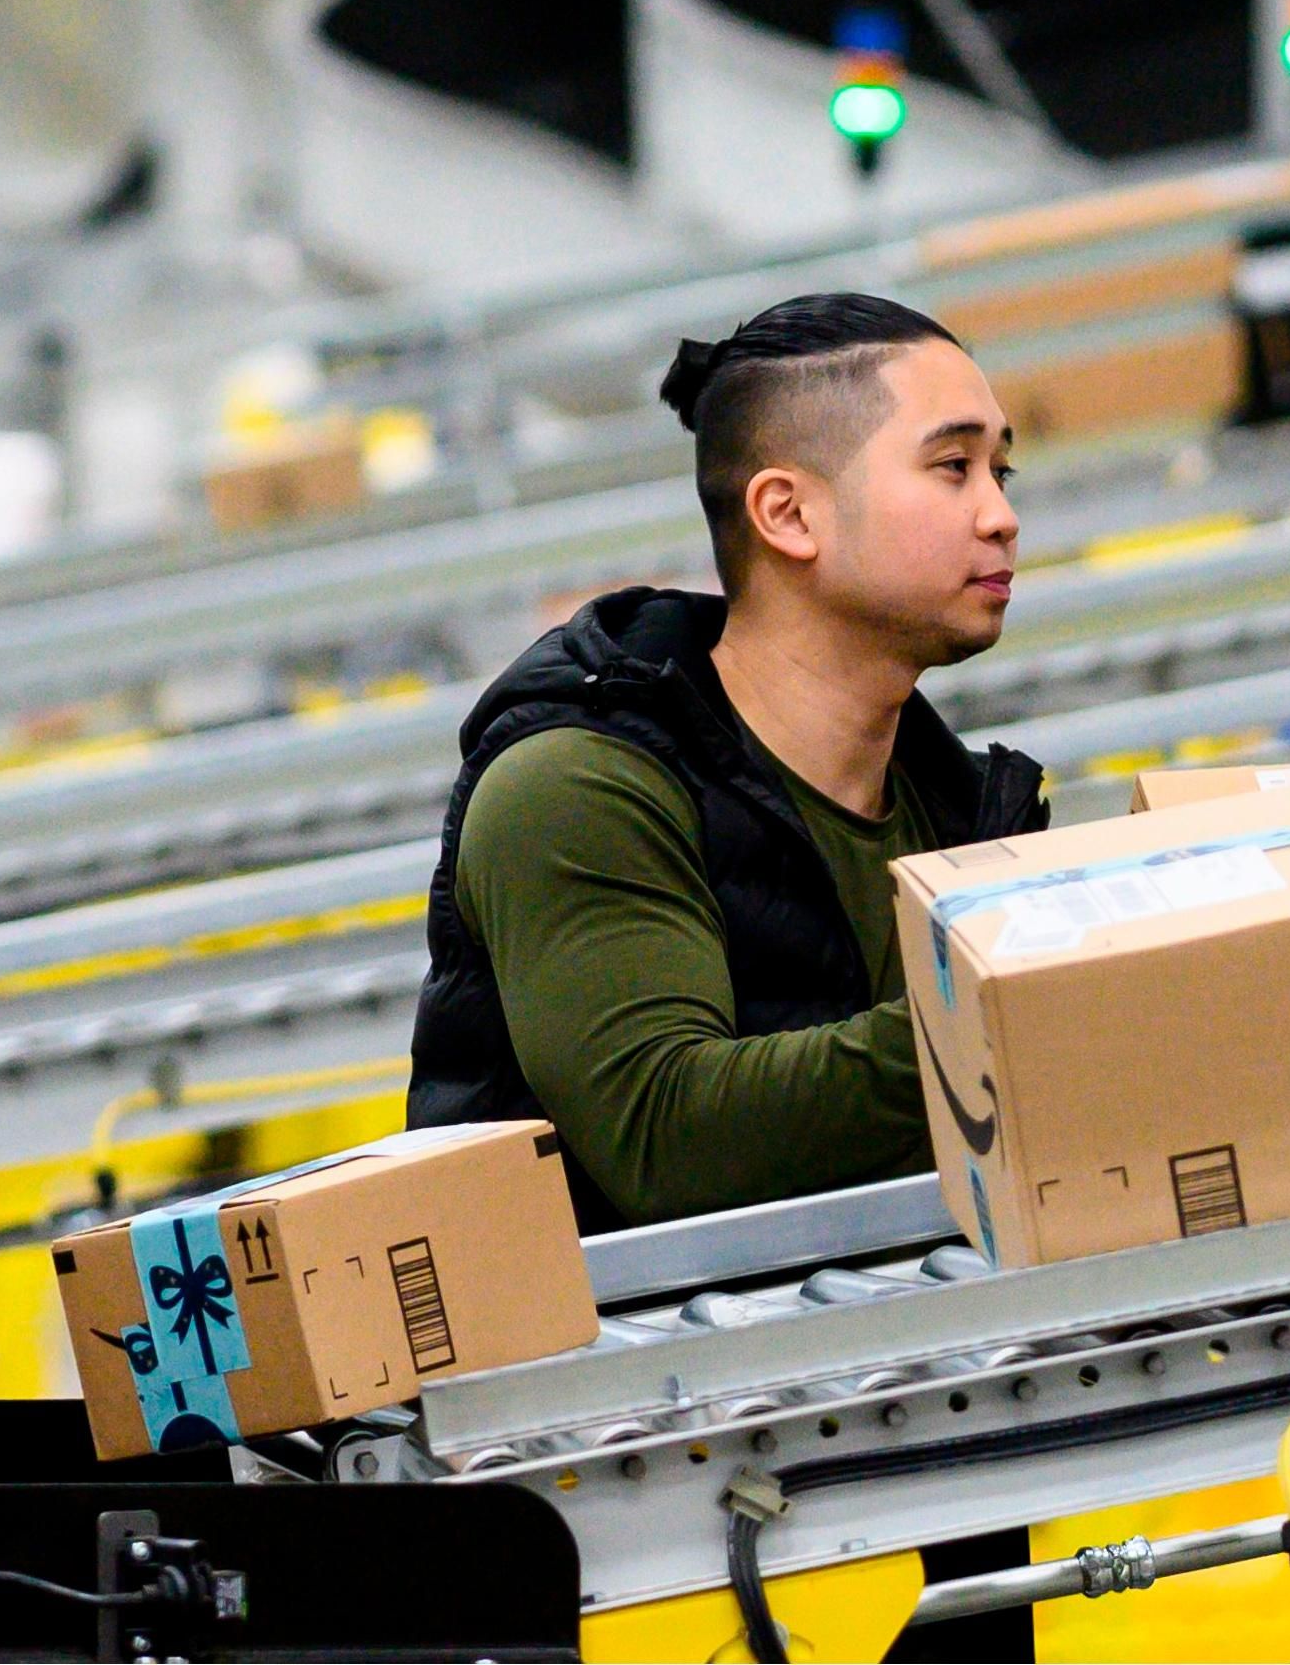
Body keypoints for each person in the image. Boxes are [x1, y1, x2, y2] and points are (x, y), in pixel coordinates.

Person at [403, 291, 1046, 1653]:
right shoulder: (577, 789)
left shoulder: (951, 799)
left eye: (1002, 471)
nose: (1000, 516)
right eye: (951, 468)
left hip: (909, 1458)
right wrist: (1033, 1014)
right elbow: (666, 1135)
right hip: (637, 1533)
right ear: (788, 514)